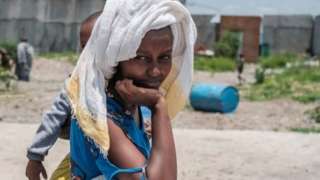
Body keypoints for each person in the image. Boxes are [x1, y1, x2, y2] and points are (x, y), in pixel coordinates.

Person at [66, 0, 196, 179]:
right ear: (116, 58)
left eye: (164, 57)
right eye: (142, 58)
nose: (155, 71)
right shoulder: (98, 114)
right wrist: (158, 105)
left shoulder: (133, 105)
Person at [25, 11, 101, 180]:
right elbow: (52, 119)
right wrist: (35, 157)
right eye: (84, 46)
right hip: (82, 163)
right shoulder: (76, 84)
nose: (88, 54)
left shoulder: (131, 85)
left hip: (122, 166)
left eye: (96, 46)